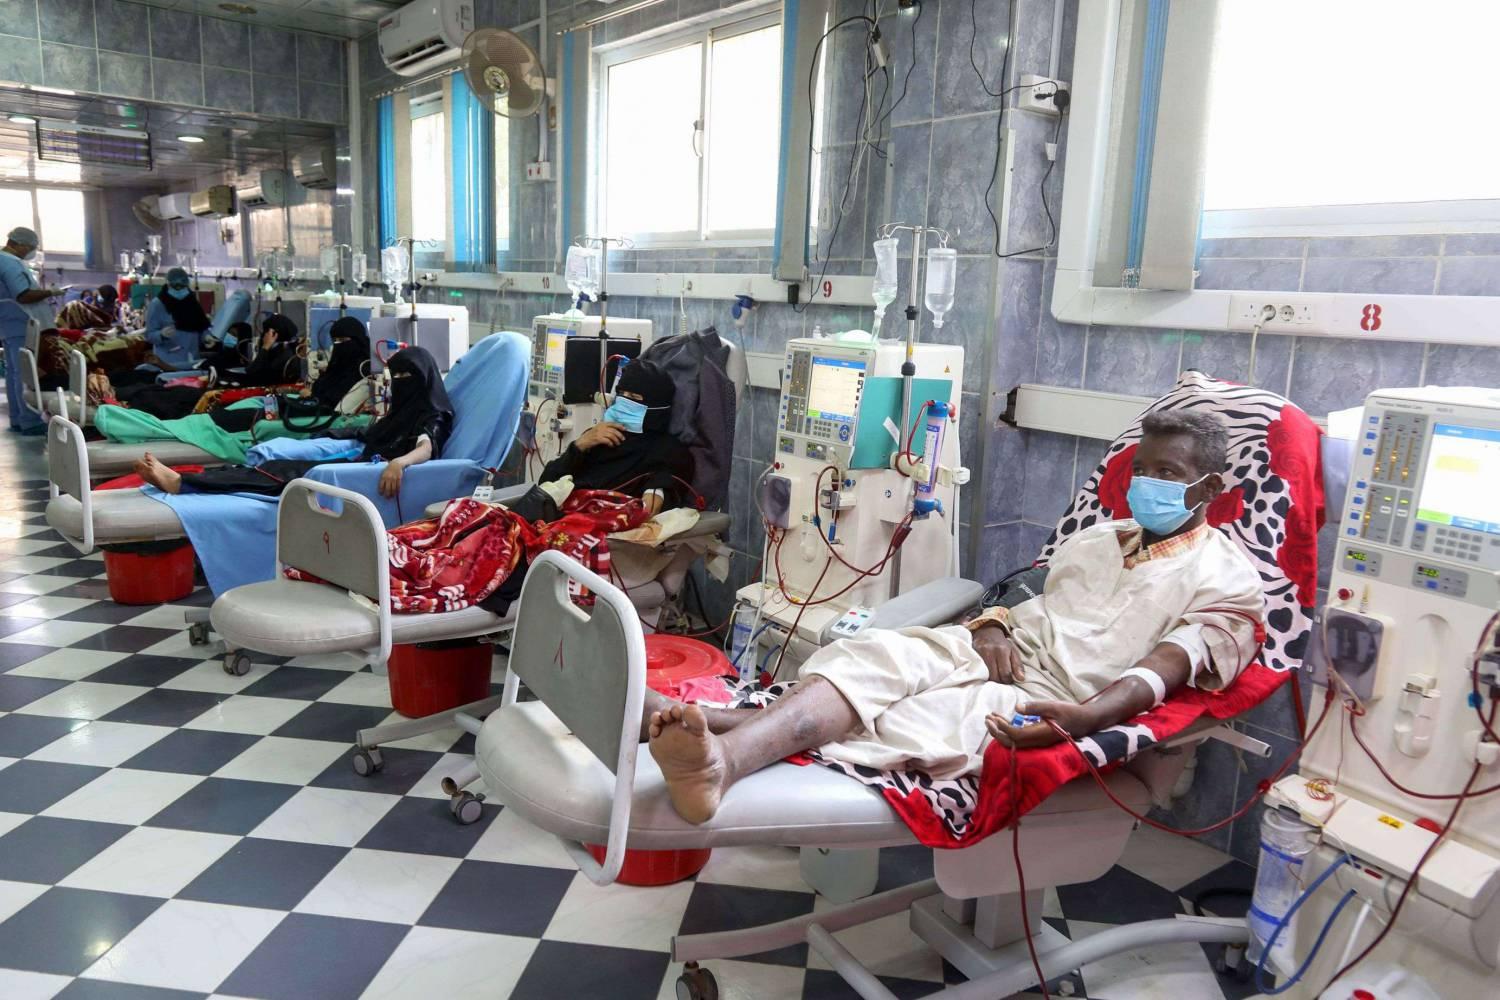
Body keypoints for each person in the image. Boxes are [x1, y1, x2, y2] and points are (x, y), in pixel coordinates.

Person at [643, 411, 1266, 824]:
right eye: (1142, 471)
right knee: (875, 655)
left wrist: (1088, 718)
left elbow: (1168, 666)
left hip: (1054, 696)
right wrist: (991, 624)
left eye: (1168, 474)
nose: (1148, 484)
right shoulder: (1098, 539)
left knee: (913, 717)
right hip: (991, 649)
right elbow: (1030, 600)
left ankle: (723, 758)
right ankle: (720, 732)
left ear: (1210, 488)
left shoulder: (1226, 578)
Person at [133, 345, 451, 500]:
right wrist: (333, 432)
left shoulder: (433, 414)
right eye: (397, 375)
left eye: (407, 375)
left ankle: (183, 484)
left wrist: (399, 463)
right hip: (359, 463)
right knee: (275, 467)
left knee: (283, 475)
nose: (401, 381)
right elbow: (371, 432)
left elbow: (426, 446)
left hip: (366, 473)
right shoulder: (399, 411)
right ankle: (190, 480)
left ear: (424, 377)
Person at [537, 358, 684, 514]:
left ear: (656, 406)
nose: (622, 401)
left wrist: (658, 492)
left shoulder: (667, 451)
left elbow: (658, 496)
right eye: (620, 394)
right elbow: (545, 484)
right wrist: (580, 445)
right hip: (558, 515)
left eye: (633, 397)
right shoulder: (597, 436)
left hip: (601, 523)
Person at [0, 226, 62, 433]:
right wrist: (50, 292)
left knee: (14, 372)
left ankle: (17, 418)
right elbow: (23, 295)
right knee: (24, 374)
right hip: (22, 321)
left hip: (9, 323)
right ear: (20, 244)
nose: (31, 252)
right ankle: (30, 420)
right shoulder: (10, 263)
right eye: (30, 248)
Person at [143, 267, 210, 369]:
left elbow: (200, 325)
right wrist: (161, 335)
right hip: (168, 362)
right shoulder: (158, 304)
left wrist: (206, 337)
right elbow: (149, 335)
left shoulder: (191, 302)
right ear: (168, 285)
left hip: (192, 360)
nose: (179, 290)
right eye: (176, 287)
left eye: (182, 287)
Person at [239, 314, 302, 388]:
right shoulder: (283, 349)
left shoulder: (285, 354)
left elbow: (252, 373)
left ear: (272, 335)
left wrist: (265, 347)